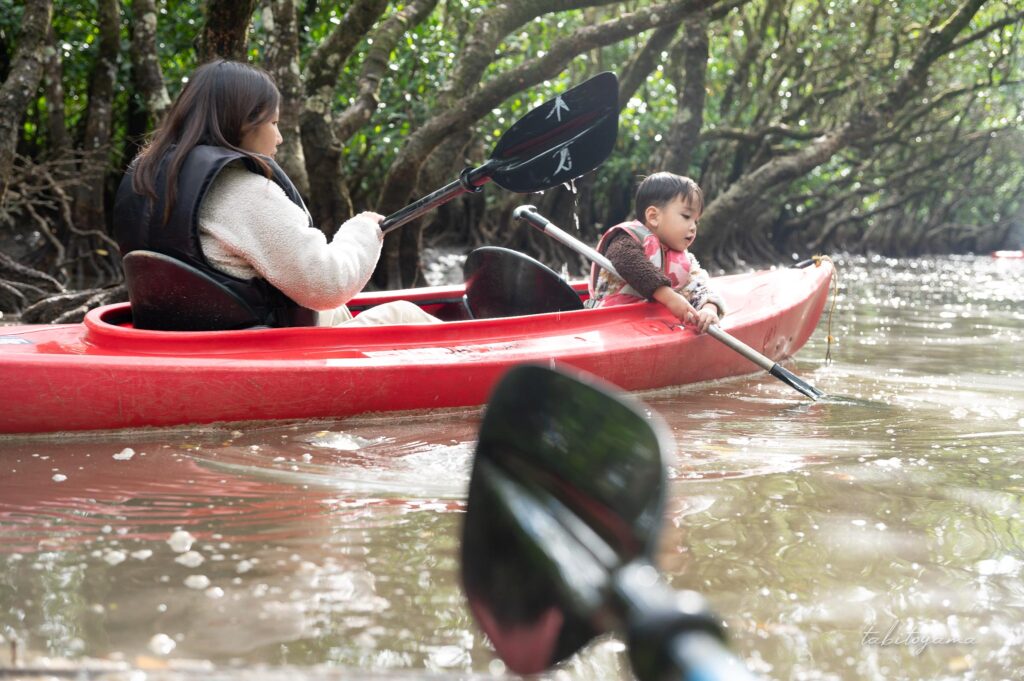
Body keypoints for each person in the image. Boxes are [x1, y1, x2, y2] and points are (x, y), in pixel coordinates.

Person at [113, 59, 438, 328]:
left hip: (177, 332)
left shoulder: (145, 175)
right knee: (404, 313)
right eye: (274, 123)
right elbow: (328, 283)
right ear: (245, 122)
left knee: (336, 315)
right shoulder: (244, 191)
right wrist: (363, 230)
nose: (279, 138)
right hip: (254, 346)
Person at [587, 172, 725, 333]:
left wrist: (709, 309)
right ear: (653, 217)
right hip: (610, 325)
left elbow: (701, 288)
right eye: (686, 216)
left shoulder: (686, 261)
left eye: (696, 220)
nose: (693, 227)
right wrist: (668, 296)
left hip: (651, 326)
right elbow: (629, 263)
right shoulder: (625, 240)